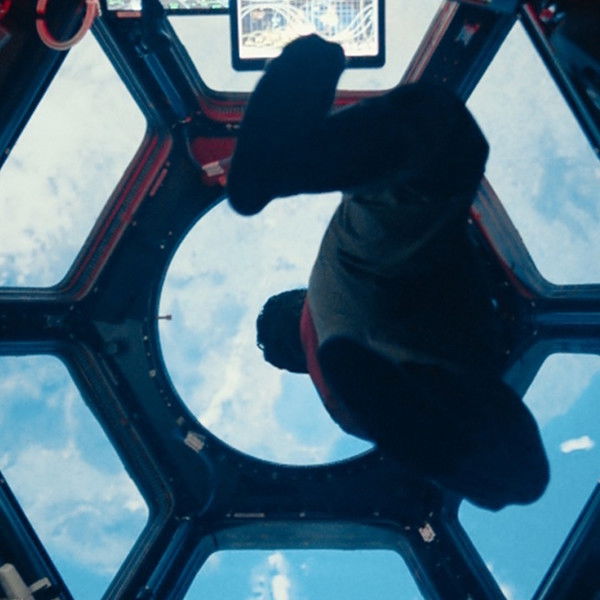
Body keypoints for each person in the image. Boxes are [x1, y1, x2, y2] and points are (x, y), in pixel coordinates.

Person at [227, 34, 549, 510]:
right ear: (296, 303)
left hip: (406, 358)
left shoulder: (340, 408)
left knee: (519, 477)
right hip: (360, 279)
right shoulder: (324, 280)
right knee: (439, 143)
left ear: (299, 363)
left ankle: (471, 451)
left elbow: (387, 419)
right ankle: (288, 166)